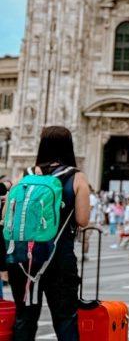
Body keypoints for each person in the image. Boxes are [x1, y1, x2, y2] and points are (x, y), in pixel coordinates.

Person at [6, 126, 91, 341]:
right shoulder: (76, 177)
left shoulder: (24, 175)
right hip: (59, 259)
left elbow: (8, 215)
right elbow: (82, 219)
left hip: (25, 260)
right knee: (65, 320)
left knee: (25, 319)